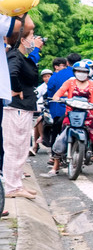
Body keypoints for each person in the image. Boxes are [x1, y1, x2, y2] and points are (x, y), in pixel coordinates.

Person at [42, 61, 93, 177]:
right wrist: (56, 98)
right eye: (79, 71)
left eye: (84, 72)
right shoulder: (70, 82)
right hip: (71, 114)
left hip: (88, 115)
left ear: (88, 73)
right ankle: (56, 165)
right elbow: (59, 92)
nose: (81, 74)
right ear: (75, 72)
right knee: (61, 138)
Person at [4, 26, 41, 198]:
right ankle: (12, 187)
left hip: (22, 107)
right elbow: (12, 74)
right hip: (16, 107)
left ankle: (16, 184)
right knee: (14, 147)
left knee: (21, 148)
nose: (33, 39)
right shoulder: (14, 55)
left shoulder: (20, 56)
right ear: (22, 39)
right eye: (31, 36)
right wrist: (16, 89)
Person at [44, 54, 78, 160]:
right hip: (80, 108)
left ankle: (54, 156)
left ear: (67, 63)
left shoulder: (57, 75)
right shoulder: (86, 74)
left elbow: (50, 90)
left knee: (56, 128)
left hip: (59, 107)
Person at [32, 67, 52, 156]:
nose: (47, 78)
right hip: (45, 109)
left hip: (55, 108)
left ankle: (36, 145)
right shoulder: (41, 87)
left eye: (48, 76)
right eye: (45, 77)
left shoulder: (55, 84)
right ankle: (40, 140)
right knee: (39, 119)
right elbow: (35, 97)